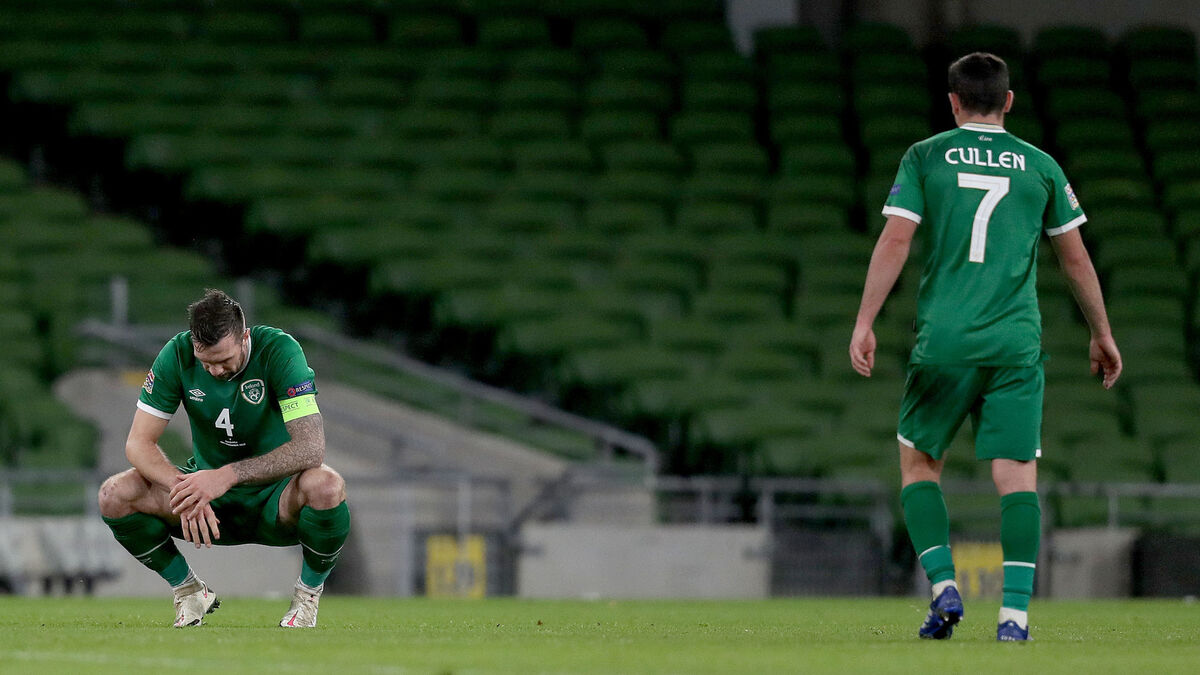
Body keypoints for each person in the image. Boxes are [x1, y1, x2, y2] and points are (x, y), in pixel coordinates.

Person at [849, 52, 1122, 642]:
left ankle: (944, 586)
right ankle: (1014, 617)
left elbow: (896, 239)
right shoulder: (1041, 166)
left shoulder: (925, 156)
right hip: (1015, 345)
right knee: (1016, 477)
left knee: (919, 465)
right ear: (1008, 101)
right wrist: (1101, 332)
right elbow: (1075, 258)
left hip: (945, 339)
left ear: (953, 101)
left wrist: (865, 320)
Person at [98, 288, 351, 628]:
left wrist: (227, 475)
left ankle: (306, 598)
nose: (215, 370)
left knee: (327, 485)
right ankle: (189, 591)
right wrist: (183, 489)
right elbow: (138, 443)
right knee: (114, 494)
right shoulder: (177, 355)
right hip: (208, 501)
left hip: (276, 499)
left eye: (223, 360)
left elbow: (311, 448)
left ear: (244, 337)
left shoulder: (279, 350)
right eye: (206, 362)